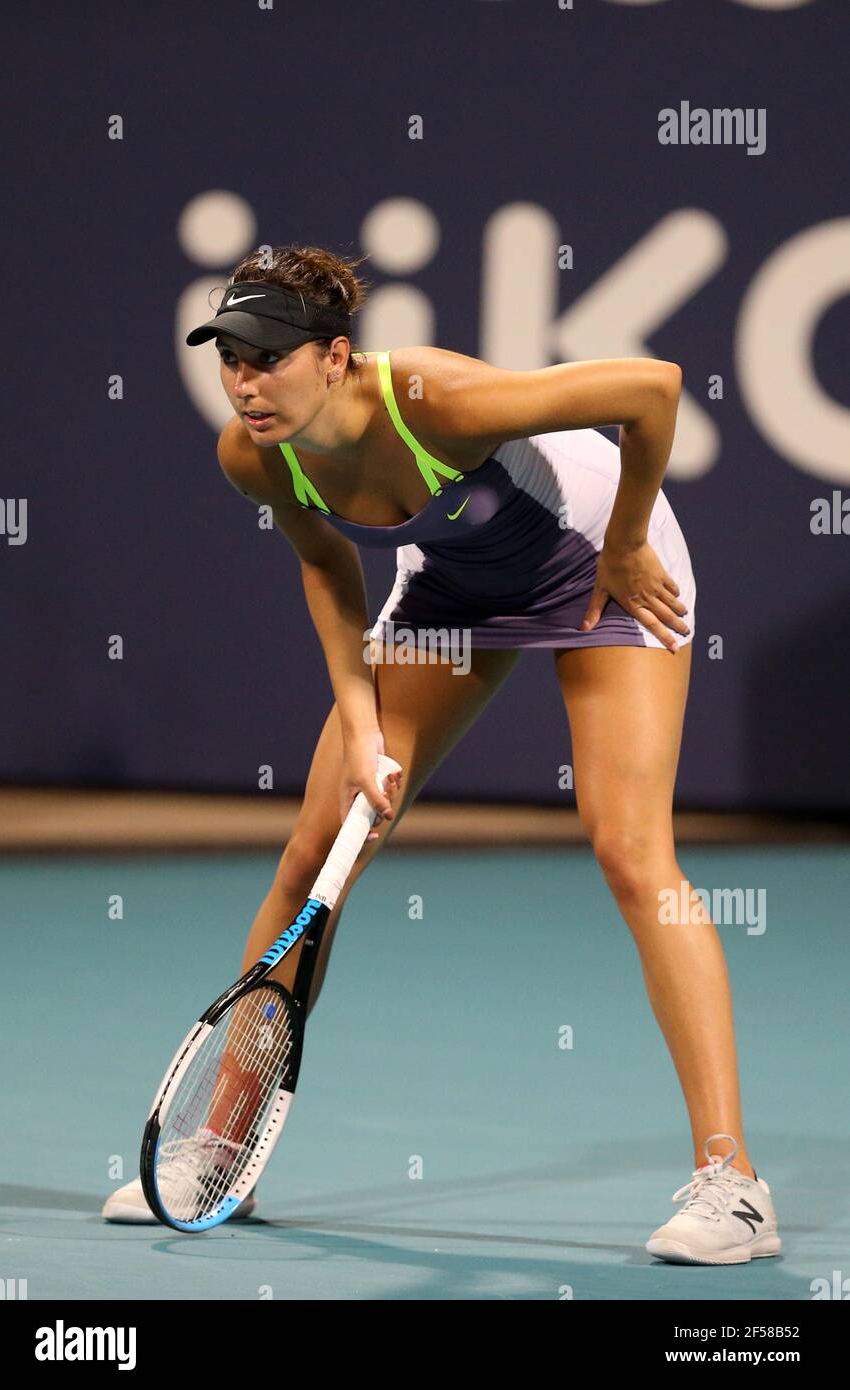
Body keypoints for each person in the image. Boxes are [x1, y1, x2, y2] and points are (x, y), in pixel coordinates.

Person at [103, 245, 780, 1266]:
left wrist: (630, 538)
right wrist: (362, 722)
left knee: (629, 849)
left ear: (335, 357)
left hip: (591, 556)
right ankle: (221, 1147)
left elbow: (654, 389)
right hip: (451, 595)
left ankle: (733, 1185)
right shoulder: (252, 450)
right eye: (231, 358)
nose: (245, 383)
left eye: (269, 358)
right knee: (313, 858)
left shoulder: (435, 400)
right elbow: (327, 565)